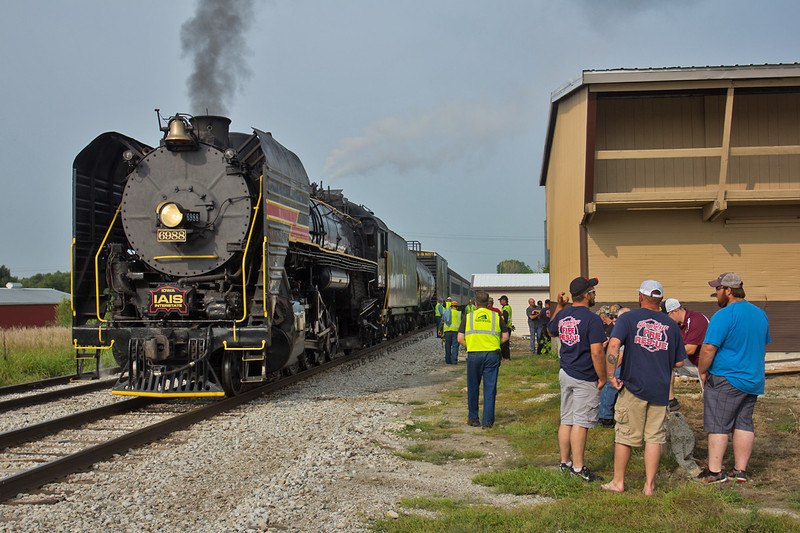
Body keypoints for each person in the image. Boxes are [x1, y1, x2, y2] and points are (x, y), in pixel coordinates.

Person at [601, 280, 686, 495]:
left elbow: (613, 344)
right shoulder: (671, 325)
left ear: (640, 296)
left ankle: (618, 482)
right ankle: (649, 485)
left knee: (625, 435)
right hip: (660, 388)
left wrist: (610, 375)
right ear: (660, 301)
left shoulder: (628, 318)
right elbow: (679, 362)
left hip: (633, 385)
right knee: (654, 438)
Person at [694, 273, 770, 484]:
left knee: (718, 424)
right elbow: (762, 345)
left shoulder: (724, 315)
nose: (716, 294)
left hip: (726, 378)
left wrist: (702, 370)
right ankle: (740, 471)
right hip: (752, 379)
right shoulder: (760, 314)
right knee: (744, 423)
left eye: (717, 290)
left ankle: (715, 471)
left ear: (728, 290)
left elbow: (709, 347)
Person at [548, 277, 606, 481]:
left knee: (567, 420)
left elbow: (550, 330)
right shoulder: (592, 319)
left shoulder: (564, 314)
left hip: (566, 372)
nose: (594, 295)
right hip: (584, 375)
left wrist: (560, 307)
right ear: (587, 294)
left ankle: (565, 462)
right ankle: (579, 468)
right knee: (580, 422)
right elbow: (597, 352)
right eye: (593, 292)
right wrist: (602, 377)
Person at [458, 291, 509, 428]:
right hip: (492, 354)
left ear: (475, 303)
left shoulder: (468, 317)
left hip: (474, 354)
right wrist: (496, 344)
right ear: (488, 304)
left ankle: (473, 418)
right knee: (490, 388)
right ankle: (487, 422)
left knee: (473, 386)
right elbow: (505, 337)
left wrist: (470, 346)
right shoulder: (496, 316)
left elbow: (460, 339)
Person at [664, 298, 710, 411]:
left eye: (667, 316)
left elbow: (690, 349)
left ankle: (712, 413)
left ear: (675, 311)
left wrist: (667, 353)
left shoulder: (696, 320)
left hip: (708, 363)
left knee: (710, 398)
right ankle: (670, 400)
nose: (667, 320)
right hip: (693, 362)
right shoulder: (678, 325)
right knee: (666, 363)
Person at [499, 295, 513, 360]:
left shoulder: (505, 309)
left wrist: (502, 327)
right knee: (506, 343)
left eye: (501, 300)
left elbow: (505, 319)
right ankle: (506, 356)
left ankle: (505, 356)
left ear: (504, 301)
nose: (500, 302)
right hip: (508, 327)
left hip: (506, 328)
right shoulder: (508, 307)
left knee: (504, 344)